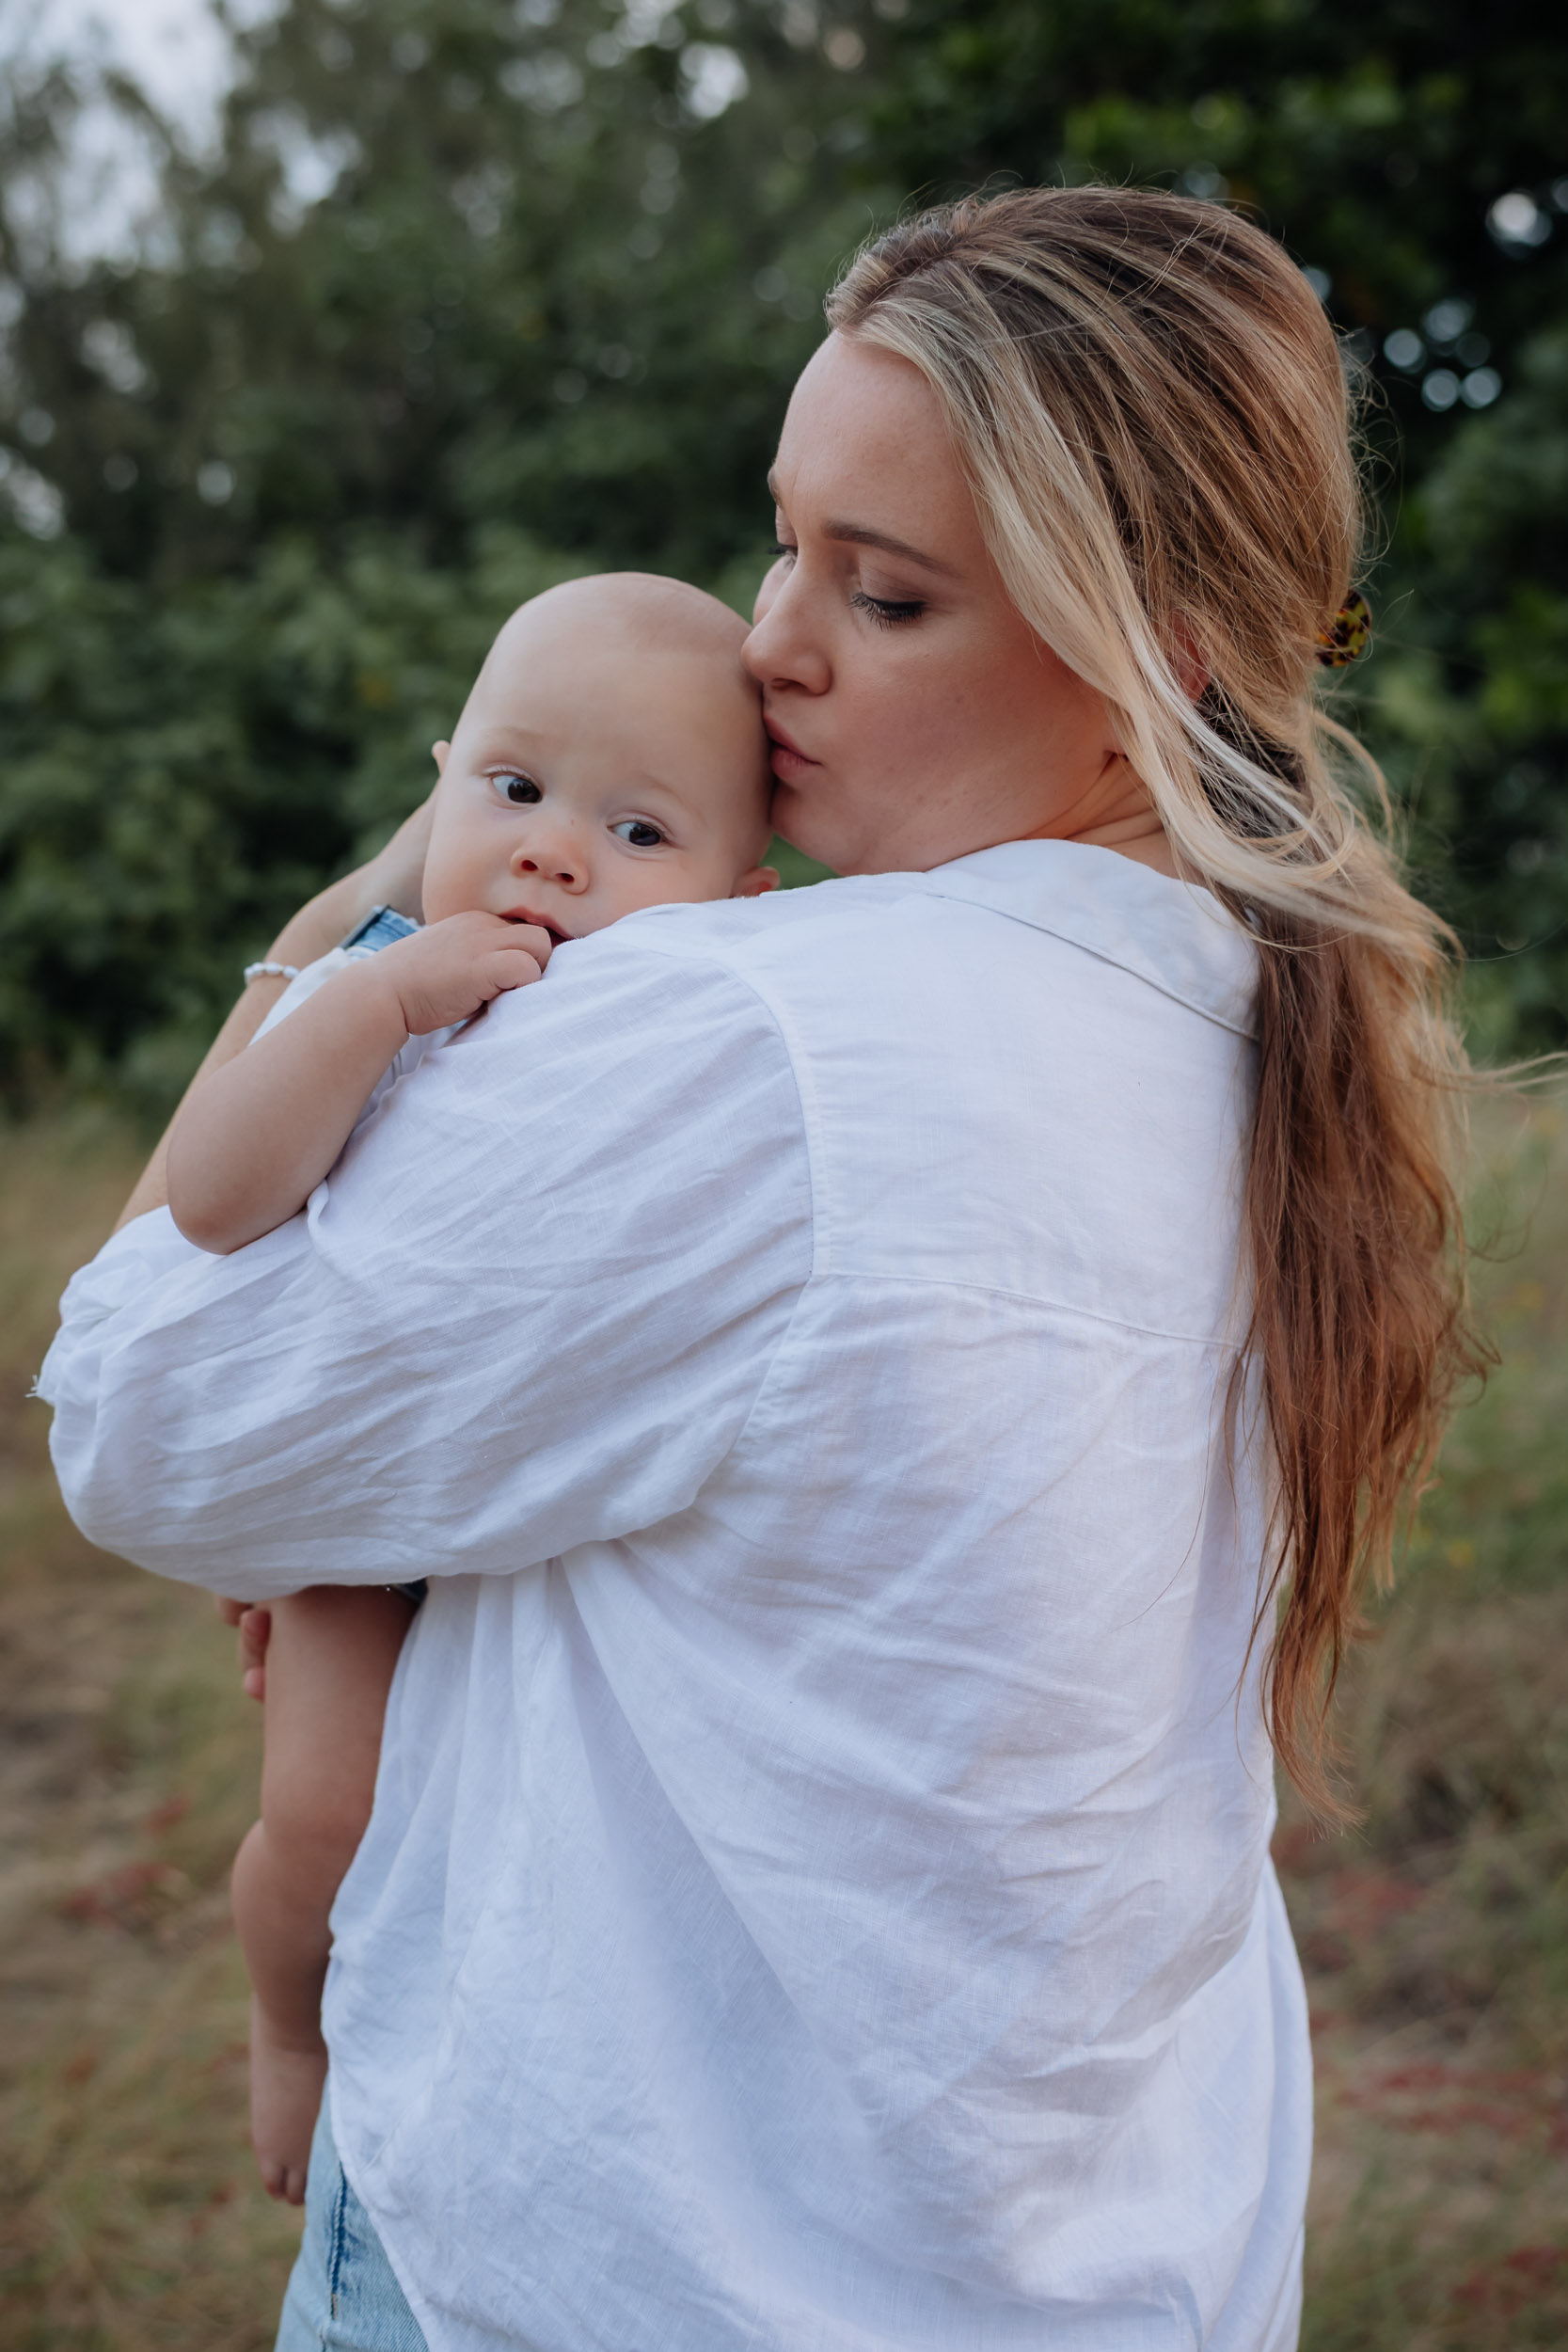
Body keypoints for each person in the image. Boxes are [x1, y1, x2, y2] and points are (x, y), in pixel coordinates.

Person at [40, 187, 1481, 2352]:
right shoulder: (1243, 1030)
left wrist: (363, 916)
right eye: (783, 538)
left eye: (883, 592)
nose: (770, 639)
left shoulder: (756, 1029)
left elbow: (142, 1421)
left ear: (1152, 651)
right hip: (1109, 2261)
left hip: (626, 2263)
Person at [159, 571, 777, 2205]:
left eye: (641, 834)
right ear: (439, 783)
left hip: (558, 1504)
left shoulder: (702, 1029)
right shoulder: (375, 975)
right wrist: (368, 1003)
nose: (552, 851)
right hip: (365, 1515)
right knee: (332, 1814)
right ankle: (293, 2027)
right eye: (509, 790)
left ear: (745, 891)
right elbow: (215, 1201)